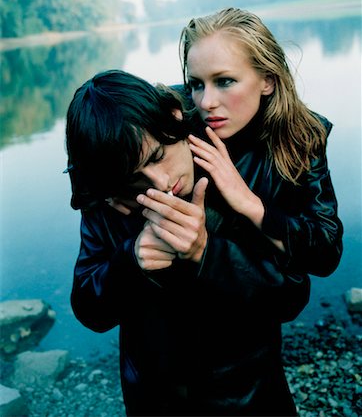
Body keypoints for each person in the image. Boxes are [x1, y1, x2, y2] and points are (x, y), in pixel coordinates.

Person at [66, 69, 316, 417]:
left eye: (157, 157)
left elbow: (291, 297)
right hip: (153, 398)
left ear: (174, 119)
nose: (161, 182)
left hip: (248, 394)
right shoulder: (111, 198)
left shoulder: (234, 168)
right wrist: (131, 260)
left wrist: (205, 253)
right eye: (135, 176)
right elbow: (89, 310)